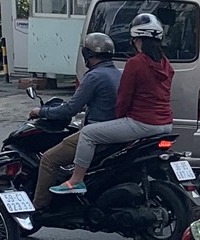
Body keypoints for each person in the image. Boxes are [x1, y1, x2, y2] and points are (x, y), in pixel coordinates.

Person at [51, 14, 172, 194]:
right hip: (166, 124)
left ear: (136, 39)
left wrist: (118, 119)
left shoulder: (135, 63)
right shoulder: (165, 64)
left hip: (142, 123)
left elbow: (124, 98)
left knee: (88, 133)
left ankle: (76, 180)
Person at [31, 32, 122, 212]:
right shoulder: (116, 74)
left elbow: (69, 109)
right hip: (114, 131)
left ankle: (38, 208)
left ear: (88, 54)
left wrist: (40, 112)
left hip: (96, 133)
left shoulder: (94, 76)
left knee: (48, 159)